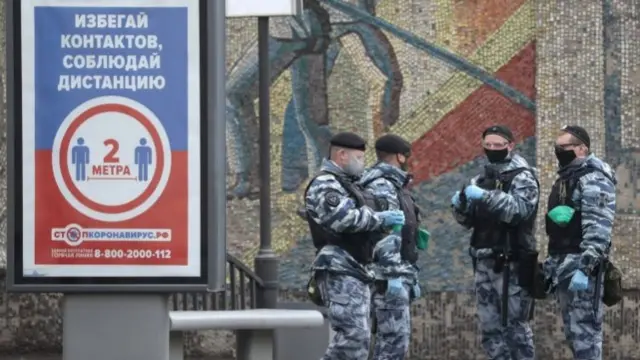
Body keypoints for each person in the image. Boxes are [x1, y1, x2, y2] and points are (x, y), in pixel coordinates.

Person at [304, 131, 406, 360]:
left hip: (356, 269)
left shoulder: (347, 184)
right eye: (359, 158)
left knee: (358, 340)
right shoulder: (325, 183)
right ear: (342, 155)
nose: (363, 164)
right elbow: (343, 219)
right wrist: (382, 218)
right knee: (352, 338)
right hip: (339, 267)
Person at [451, 125, 539, 360]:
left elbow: (519, 211)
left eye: (497, 145)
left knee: (515, 327)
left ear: (510, 145)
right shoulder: (481, 178)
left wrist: (485, 196)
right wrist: (460, 204)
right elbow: (467, 220)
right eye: (487, 146)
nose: (492, 150)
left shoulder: (523, 176)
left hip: (511, 261)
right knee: (490, 328)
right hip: (483, 258)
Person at [542, 125, 616, 360]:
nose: (559, 151)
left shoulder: (594, 178)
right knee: (575, 336)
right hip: (565, 268)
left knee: (586, 338)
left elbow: (598, 228)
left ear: (582, 148)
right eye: (557, 147)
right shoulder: (567, 178)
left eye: (564, 147)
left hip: (583, 272)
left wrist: (585, 269)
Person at [359, 134, 428, 359]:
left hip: (396, 274)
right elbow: (387, 234)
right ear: (399, 156)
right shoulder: (383, 186)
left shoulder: (393, 184)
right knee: (393, 344)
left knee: (392, 342)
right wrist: (393, 277)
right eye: (406, 155)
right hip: (386, 279)